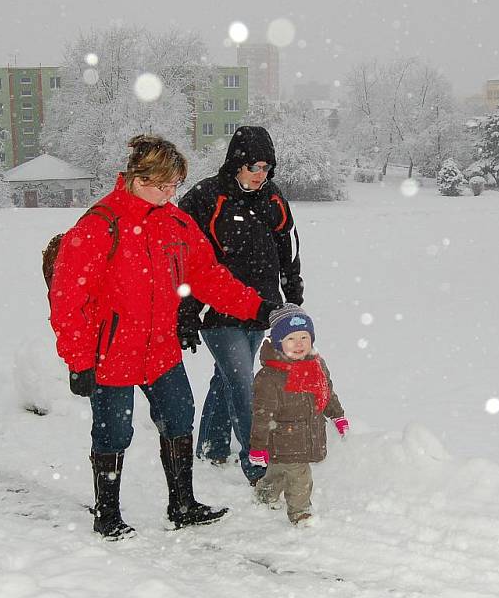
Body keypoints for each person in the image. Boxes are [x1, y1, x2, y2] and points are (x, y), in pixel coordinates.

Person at [48, 134, 277, 540]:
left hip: (160, 350)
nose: (169, 193)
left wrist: (256, 307)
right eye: (162, 185)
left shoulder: (176, 223)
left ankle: (182, 504)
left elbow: (207, 275)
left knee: (179, 418)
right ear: (138, 177)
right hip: (111, 352)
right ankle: (107, 513)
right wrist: (78, 361)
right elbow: (70, 299)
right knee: (113, 432)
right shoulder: (102, 224)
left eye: (175, 185)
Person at [177, 126, 303, 485]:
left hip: (261, 306)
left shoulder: (272, 197)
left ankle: (211, 447)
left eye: (267, 168)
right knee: (244, 384)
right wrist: (185, 312)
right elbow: (183, 259)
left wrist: (291, 291)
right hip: (216, 310)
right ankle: (258, 466)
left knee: (228, 377)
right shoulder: (205, 198)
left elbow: (288, 245)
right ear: (236, 164)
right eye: (255, 167)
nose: (261, 176)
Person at [249, 304, 348, 525]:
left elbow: (326, 392)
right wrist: (257, 446)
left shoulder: (316, 365)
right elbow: (262, 415)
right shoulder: (270, 377)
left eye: (304, 337)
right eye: (291, 338)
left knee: (278, 471)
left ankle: (264, 494)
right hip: (285, 436)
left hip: (309, 432)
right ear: (278, 342)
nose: (299, 344)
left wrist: (337, 415)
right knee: (299, 477)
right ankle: (300, 513)